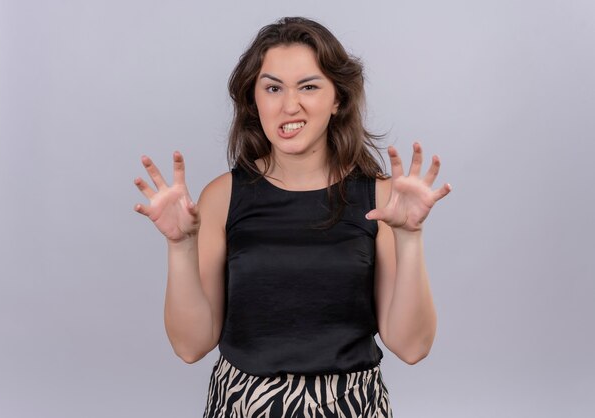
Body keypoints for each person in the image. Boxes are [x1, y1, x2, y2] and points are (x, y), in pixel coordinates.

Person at [133, 17, 451, 418]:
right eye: (273, 88)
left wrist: (410, 236)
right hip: (243, 407)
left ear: (338, 99)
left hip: (351, 407)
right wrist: (180, 245)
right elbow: (190, 346)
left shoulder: (381, 199)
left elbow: (413, 347)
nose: (289, 105)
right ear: (254, 100)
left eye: (309, 86)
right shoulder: (221, 197)